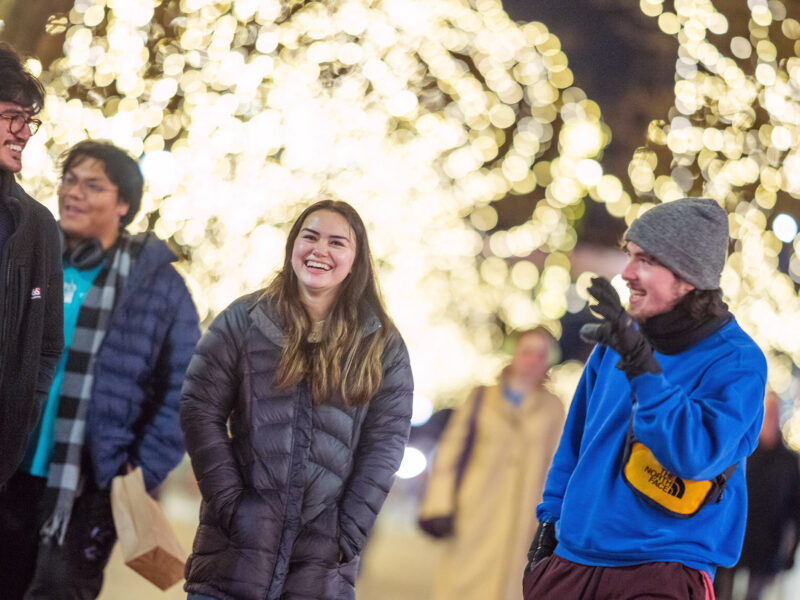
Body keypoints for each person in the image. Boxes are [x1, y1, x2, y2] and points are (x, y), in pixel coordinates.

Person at [523, 197, 768, 599]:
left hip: (661, 572)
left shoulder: (737, 362)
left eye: (647, 261)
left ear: (688, 276)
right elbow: (576, 444)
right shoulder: (616, 342)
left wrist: (644, 369)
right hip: (571, 563)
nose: (627, 273)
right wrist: (549, 527)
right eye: (629, 255)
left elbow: (694, 455)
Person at [180, 199, 414, 600]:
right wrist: (232, 506)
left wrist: (348, 532)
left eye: (337, 242)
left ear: (356, 260)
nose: (320, 250)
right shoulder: (244, 319)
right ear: (293, 246)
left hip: (320, 567)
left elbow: (387, 442)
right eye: (310, 237)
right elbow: (199, 409)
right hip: (233, 556)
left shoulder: (381, 344)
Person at [0, 140, 201, 599]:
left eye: (93, 185)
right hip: (10, 462)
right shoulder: (29, 256)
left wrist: (138, 473)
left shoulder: (160, 287)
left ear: (124, 205)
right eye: (69, 179)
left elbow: (182, 393)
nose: (74, 192)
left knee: (60, 589)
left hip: (90, 479)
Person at [418, 327, 565, 600]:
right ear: (514, 353)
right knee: (463, 584)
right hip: (475, 512)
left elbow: (559, 465)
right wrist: (439, 504)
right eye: (528, 351)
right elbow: (451, 452)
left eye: (541, 354)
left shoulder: (553, 407)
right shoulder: (480, 397)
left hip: (524, 520)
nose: (533, 359)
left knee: (513, 586)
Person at [0, 43, 63, 486]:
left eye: (29, 120)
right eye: (11, 116)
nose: (24, 132)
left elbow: (47, 344)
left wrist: (23, 415)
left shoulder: (37, 226)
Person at [714, 391, 800, 600]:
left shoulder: (788, 462)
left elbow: (795, 509)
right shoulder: (742, 453)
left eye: (773, 413)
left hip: (767, 546)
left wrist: (788, 554)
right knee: (722, 593)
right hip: (735, 539)